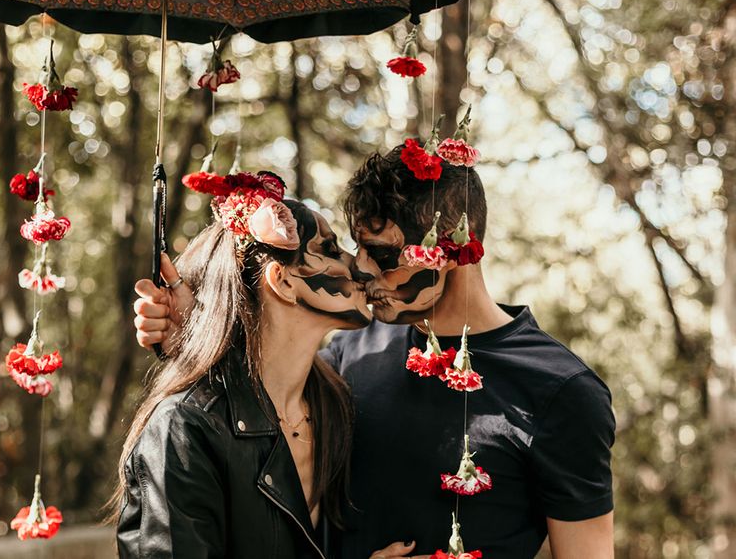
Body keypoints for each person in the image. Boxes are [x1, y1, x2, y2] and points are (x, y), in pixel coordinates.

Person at [135, 149, 616, 559]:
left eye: (382, 254)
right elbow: (244, 410)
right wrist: (189, 326)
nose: (362, 270)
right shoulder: (345, 361)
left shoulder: (561, 391)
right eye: (357, 247)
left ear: (451, 250)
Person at [116, 183, 375, 558]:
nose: (359, 266)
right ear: (283, 281)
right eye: (330, 250)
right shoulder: (186, 429)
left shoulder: (334, 404)